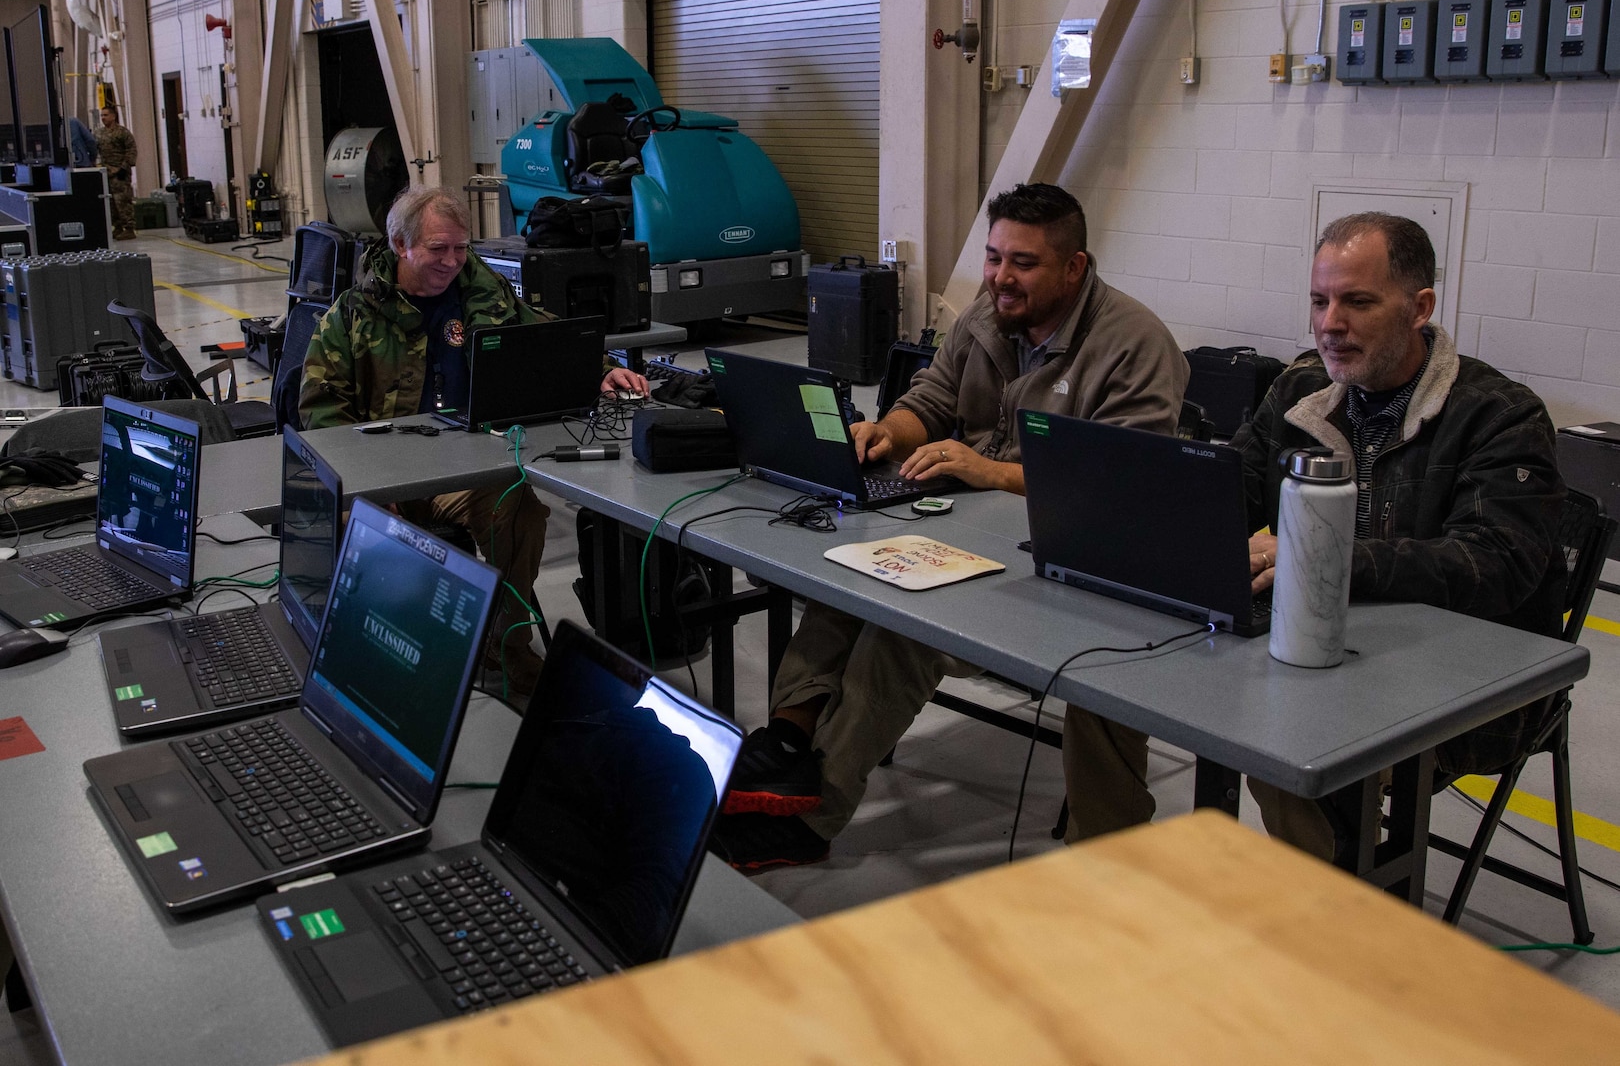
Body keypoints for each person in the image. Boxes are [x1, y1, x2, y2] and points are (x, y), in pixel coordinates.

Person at [711, 182, 1189, 870]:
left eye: (1022, 263)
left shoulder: (1133, 345)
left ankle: (810, 818)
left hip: (1054, 574)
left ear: (1074, 268)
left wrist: (991, 472)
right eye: (994, 258)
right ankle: (788, 741)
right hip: (962, 535)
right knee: (847, 570)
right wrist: (886, 431)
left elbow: (1126, 487)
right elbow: (931, 401)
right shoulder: (986, 319)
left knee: (899, 629)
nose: (1000, 277)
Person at [1062, 211, 1566, 859]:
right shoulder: (1300, 391)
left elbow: (1496, 565)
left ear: (1420, 307)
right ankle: (1102, 872)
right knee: (1107, 679)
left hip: (1447, 678)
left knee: (1282, 741)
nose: (1331, 323)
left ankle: (1329, 924)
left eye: (1358, 302)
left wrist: (1321, 562)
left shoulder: (1498, 416)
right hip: (1304, 646)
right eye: (1319, 301)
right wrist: (1130, 513)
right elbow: (1226, 500)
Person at [299, 185, 647, 699]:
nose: (452, 261)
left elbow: (547, 340)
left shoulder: (484, 297)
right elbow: (319, 409)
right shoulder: (353, 315)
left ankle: (504, 644)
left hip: (461, 473)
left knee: (520, 512)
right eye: (438, 249)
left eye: (461, 248)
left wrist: (600, 370)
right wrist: (365, 485)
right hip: (380, 474)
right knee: (382, 537)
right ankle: (395, 660)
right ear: (400, 244)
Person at [97, 105, 137, 241]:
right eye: (102, 115)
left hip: (120, 172)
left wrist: (124, 168)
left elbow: (131, 150)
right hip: (106, 172)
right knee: (111, 202)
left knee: (122, 201)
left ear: (113, 116)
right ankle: (117, 227)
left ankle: (129, 228)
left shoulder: (122, 132)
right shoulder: (99, 133)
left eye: (106, 115)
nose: (103, 118)